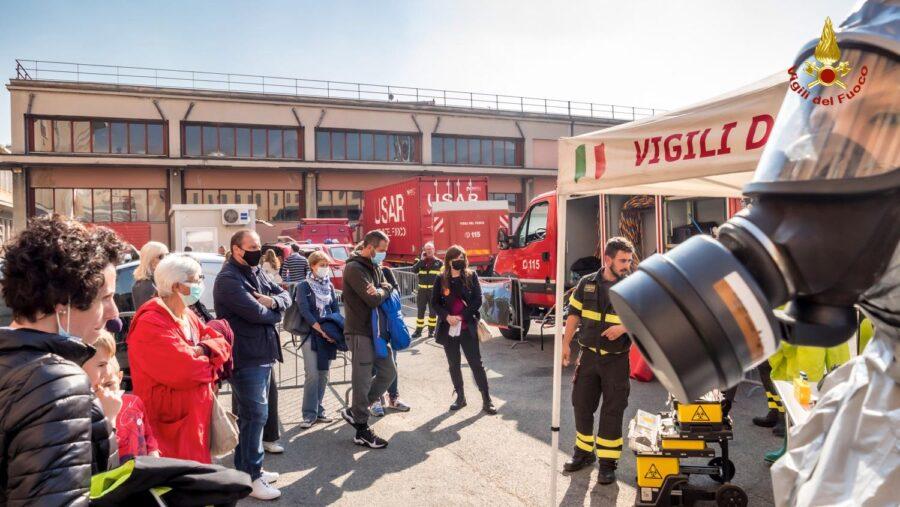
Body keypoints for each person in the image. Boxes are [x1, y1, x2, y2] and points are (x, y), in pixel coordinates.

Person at [0, 215, 123, 504]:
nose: (114, 313)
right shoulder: (54, 381)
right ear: (63, 304)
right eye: (104, 298)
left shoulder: (14, 363)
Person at [127, 254, 231, 464]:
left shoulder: (187, 314)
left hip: (194, 419)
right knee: (179, 482)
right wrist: (212, 361)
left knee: (198, 475)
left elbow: (221, 341)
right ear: (177, 286)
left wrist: (203, 350)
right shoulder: (151, 323)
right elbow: (186, 371)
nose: (201, 283)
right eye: (196, 279)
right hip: (169, 426)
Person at [214, 229, 292, 501]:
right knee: (254, 415)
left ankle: (249, 468)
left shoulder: (255, 270)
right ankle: (251, 475)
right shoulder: (228, 279)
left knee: (256, 415)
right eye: (252, 246)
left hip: (263, 353)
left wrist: (273, 302)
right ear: (236, 249)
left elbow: (284, 296)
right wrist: (274, 311)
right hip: (246, 356)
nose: (257, 250)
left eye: (258, 246)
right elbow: (257, 314)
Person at [561, 237, 634, 485]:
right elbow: (573, 315)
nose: (627, 265)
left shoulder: (633, 285)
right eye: (623, 260)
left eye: (629, 260)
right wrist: (564, 344)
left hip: (616, 361)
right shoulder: (586, 283)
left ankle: (607, 464)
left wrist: (622, 328)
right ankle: (583, 453)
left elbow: (644, 316)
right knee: (581, 405)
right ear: (608, 259)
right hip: (589, 356)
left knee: (612, 411)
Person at [338, 230, 396, 449]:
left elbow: (387, 290)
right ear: (370, 247)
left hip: (377, 332)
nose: (383, 254)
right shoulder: (354, 268)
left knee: (389, 372)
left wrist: (383, 288)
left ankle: (356, 411)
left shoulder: (375, 267)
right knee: (361, 381)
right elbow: (372, 299)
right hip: (360, 332)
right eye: (381, 250)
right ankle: (362, 429)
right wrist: (384, 289)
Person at [432, 245, 496, 415]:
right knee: (453, 364)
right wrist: (447, 316)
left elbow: (477, 300)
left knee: (476, 363)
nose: (460, 261)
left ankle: (486, 399)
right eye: (456, 259)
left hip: (467, 327)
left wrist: (460, 317)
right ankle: (460, 397)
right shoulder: (441, 278)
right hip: (449, 328)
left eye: (462, 258)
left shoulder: (470, 275)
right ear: (449, 260)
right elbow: (435, 303)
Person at [86, 331, 160, 462]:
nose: (106, 392)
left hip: (141, 470)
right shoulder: (91, 412)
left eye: (109, 384)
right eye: (97, 388)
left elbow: (148, 433)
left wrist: (153, 450)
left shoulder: (134, 401)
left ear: (120, 377)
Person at [297, 251, 341, 428]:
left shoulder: (329, 286)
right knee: (312, 374)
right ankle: (309, 414)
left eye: (327, 265)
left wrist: (334, 331)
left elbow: (335, 308)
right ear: (312, 266)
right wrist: (320, 330)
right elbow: (305, 311)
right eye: (322, 265)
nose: (325, 268)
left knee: (323, 373)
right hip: (311, 334)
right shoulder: (303, 286)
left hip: (327, 335)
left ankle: (319, 409)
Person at [370, 265, 412, 416]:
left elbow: (396, 292)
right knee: (372, 366)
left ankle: (393, 398)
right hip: (372, 330)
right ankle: (374, 400)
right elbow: (369, 299)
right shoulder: (363, 273)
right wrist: (384, 292)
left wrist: (382, 292)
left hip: (390, 328)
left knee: (392, 364)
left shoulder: (386, 270)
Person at [410, 242, 443, 338]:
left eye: (430, 249)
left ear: (434, 250)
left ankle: (431, 331)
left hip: (433, 291)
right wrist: (421, 261)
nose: (429, 251)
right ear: (424, 250)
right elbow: (413, 270)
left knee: (433, 312)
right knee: (420, 311)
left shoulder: (439, 262)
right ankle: (418, 331)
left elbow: (443, 277)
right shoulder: (419, 261)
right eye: (427, 249)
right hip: (422, 291)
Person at [132, 240, 169, 310]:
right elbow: (151, 315)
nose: (165, 259)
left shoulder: (156, 281)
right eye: (161, 257)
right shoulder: (146, 286)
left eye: (167, 255)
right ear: (149, 260)